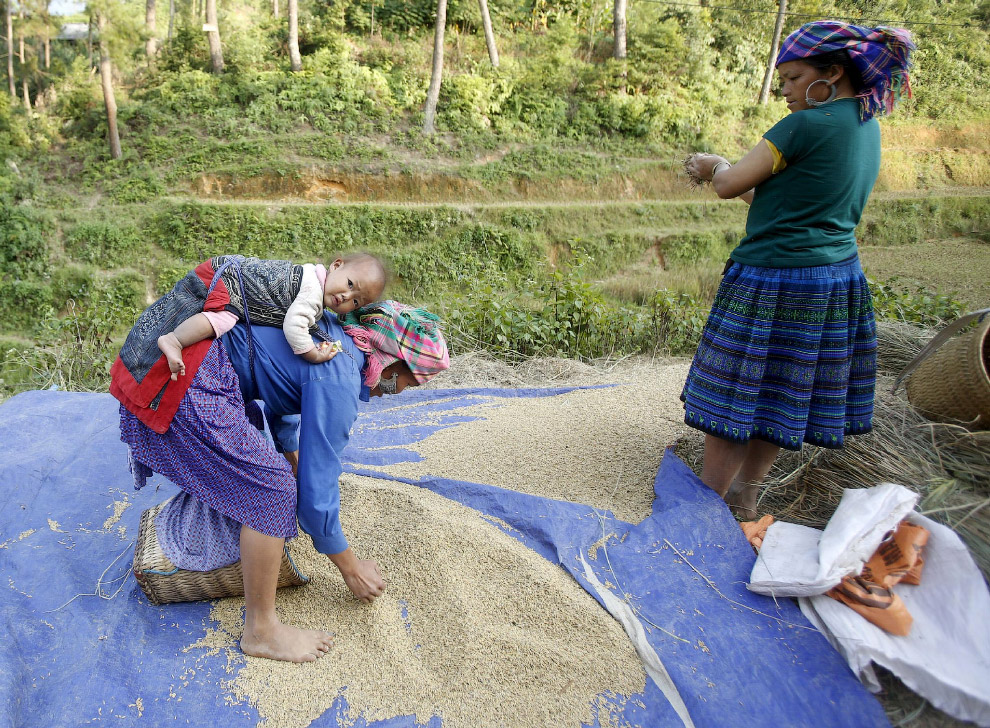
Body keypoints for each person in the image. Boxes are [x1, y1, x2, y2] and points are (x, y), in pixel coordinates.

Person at [115, 300, 450, 663]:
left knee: (268, 465)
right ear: (392, 363)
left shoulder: (333, 337)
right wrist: (352, 569)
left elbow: (282, 389)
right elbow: (317, 495)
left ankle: (230, 529)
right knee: (273, 493)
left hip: (192, 368)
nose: (404, 390)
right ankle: (261, 631)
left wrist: (291, 459)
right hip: (183, 384)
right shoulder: (340, 376)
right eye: (410, 380)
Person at [681, 21, 915, 519]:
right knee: (776, 393)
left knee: (732, 397)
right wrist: (730, 174)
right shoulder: (865, 127)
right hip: (832, 280)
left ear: (830, 73)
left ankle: (703, 510)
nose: (784, 90)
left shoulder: (802, 126)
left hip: (775, 280)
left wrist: (711, 164)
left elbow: (728, 186)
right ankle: (748, 493)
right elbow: (770, 201)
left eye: (792, 78)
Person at [110, 252, 385, 434]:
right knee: (224, 318)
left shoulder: (315, 284)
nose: (346, 296)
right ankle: (174, 339)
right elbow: (294, 326)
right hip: (229, 281)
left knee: (227, 317)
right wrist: (312, 354)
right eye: (349, 283)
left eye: (356, 300)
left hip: (234, 273)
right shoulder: (312, 291)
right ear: (336, 265)